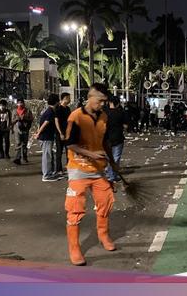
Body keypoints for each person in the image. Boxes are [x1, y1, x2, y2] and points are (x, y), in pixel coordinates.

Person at [64, 83, 118, 266]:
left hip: (98, 171)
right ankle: (74, 248)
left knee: (105, 202)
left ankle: (103, 235)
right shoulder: (76, 117)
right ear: (90, 97)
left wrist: (114, 163)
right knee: (75, 209)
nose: (102, 104)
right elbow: (69, 144)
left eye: (104, 101)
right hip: (78, 170)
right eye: (100, 101)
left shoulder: (104, 117)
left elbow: (106, 142)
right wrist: (92, 154)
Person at [34, 94, 60, 182]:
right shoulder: (51, 112)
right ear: (56, 102)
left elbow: (40, 123)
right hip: (46, 137)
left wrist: (38, 132)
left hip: (46, 137)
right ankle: (46, 175)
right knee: (47, 156)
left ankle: (48, 173)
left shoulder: (48, 110)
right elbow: (45, 123)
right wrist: (38, 133)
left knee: (48, 155)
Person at [104, 96, 128, 182]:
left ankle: (111, 174)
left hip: (106, 138)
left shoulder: (104, 113)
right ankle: (112, 175)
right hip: (118, 138)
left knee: (109, 157)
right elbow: (125, 126)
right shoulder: (121, 112)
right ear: (118, 103)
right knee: (116, 158)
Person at [12, 98, 34, 165]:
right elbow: (12, 121)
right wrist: (17, 119)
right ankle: (18, 158)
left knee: (24, 144)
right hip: (17, 129)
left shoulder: (27, 111)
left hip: (25, 129)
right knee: (18, 143)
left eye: (21, 103)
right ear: (17, 103)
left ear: (24, 103)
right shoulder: (14, 111)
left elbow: (31, 119)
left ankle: (24, 157)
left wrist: (25, 118)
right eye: (19, 103)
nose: (20, 104)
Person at [55, 93, 72, 175]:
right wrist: (60, 132)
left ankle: (69, 167)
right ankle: (59, 169)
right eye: (68, 98)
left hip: (67, 132)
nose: (69, 100)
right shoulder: (58, 108)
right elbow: (56, 121)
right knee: (59, 151)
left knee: (68, 151)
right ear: (64, 98)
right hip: (60, 133)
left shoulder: (68, 108)